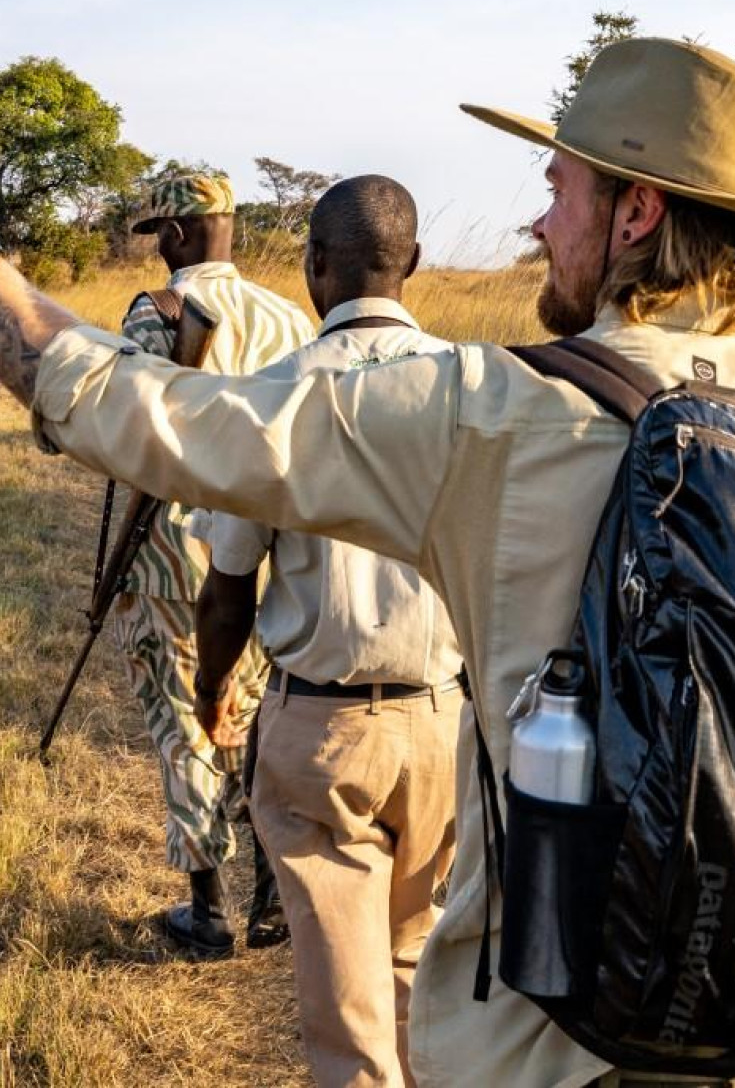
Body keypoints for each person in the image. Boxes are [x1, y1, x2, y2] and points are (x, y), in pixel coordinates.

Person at [0, 38, 735, 1088]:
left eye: (559, 191)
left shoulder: (498, 413)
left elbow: (147, 417)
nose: (540, 223)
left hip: (538, 1052)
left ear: (636, 212)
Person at [194, 175, 463, 1087]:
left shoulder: (274, 395)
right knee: (415, 967)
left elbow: (229, 588)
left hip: (322, 728)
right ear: (412, 262)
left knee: (349, 1020)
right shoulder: (474, 386)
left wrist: (212, 686)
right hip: (444, 724)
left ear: (313, 264)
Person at [114, 170, 314, 957]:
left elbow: (124, 428)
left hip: (176, 545)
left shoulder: (156, 311)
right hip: (267, 543)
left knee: (184, 719)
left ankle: (207, 909)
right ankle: (270, 894)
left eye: (157, 235)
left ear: (174, 234)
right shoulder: (290, 315)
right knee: (251, 709)